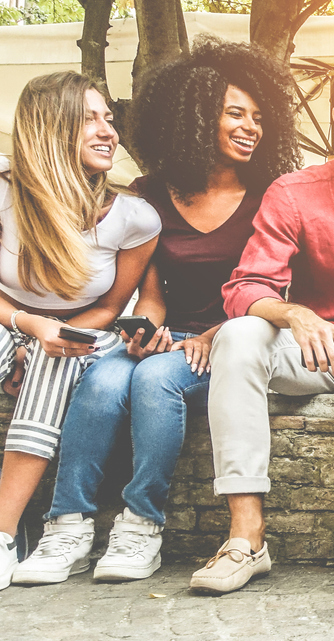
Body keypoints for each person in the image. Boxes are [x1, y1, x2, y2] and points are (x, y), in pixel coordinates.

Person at [10, 38, 302, 587]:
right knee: (100, 378)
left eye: (259, 117)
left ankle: (142, 523)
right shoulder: (149, 196)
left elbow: (283, 291)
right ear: (192, 116)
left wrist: (213, 335)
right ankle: (66, 527)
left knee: (154, 384)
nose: (250, 127)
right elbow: (150, 290)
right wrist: (145, 329)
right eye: (234, 113)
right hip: (166, 338)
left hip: (239, 339)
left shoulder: (275, 194)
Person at [197, 56, 334, 595]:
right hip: (314, 351)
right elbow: (244, 287)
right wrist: (295, 313)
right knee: (240, 334)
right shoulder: (295, 192)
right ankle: (247, 539)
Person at [0, 72, 160, 590]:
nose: (106, 131)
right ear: (49, 126)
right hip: (9, 316)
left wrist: (49, 335)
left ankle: (3, 535)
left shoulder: (133, 218)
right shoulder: (3, 192)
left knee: (57, 355)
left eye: (108, 119)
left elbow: (114, 306)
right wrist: (28, 327)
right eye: (89, 118)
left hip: (86, 331)